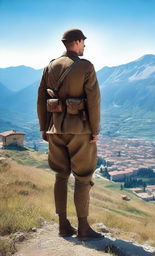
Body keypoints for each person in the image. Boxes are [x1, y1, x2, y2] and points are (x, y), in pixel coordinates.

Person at [37, 28, 104, 240]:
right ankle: (83, 228)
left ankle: (63, 225)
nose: (85, 45)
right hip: (80, 131)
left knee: (60, 176)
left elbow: (41, 100)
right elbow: (93, 100)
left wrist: (43, 128)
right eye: (83, 42)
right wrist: (94, 130)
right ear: (76, 42)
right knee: (83, 178)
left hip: (54, 129)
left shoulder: (50, 66)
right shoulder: (85, 66)